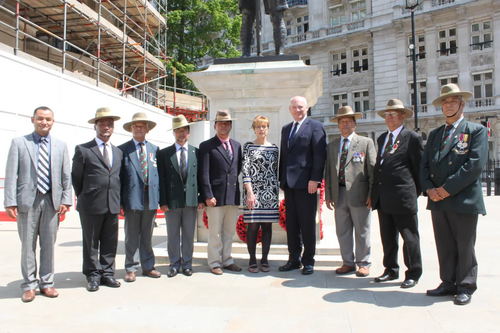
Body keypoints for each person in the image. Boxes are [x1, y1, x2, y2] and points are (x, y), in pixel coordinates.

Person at [421, 84, 488, 305]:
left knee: (464, 244)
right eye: (445, 103)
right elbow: (425, 165)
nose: (448, 105)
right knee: (445, 243)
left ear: (462, 104)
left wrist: (445, 189)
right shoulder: (435, 134)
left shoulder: (475, 131)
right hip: (438, 200)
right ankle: (448, 282)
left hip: (463, 199)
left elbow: (474, 165)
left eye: (453, 102)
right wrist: (430, 189)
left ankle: (466, 285)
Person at [4, 106, 72, 302]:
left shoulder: (60, 145)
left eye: (48, 119)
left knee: (48, 245)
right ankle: (29, 285)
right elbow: (11, 175)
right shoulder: (19, 143)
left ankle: (47, 283)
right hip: (27, 202)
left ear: (53, 121)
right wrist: (10, 201)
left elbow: (65, 175)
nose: (44, 122)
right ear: (32, 119)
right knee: (27, 246)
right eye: (40, 119)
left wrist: (66, 200)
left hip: (51, 202)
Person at [370, 99, 423, 289]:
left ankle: (413, 273)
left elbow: (418, 169)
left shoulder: (411, 137)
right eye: (387, 114)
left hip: (402, 197)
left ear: (402, 117)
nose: (389, 117)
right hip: (383, 198)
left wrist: (412, 192)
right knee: (388, 238)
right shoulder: (382, 138)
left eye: (393, 114)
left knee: (409, 238)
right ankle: (390, 269)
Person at [72, 107, 123, 292]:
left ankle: (108, 273)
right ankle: (93, 275)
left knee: (110, 242)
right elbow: (76, 179)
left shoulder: (118, 152)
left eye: (109, 124)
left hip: (112, 204)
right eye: (102, 124)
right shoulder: (84, 150)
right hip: (91, 205)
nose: (106, 127)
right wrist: (86, 196)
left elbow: (119, 178)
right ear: (95, 126)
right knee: (91, 242)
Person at [325, 106, 376, 277]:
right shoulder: (332, 146)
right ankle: (347, 262)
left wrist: (372, 193)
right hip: (339, 195)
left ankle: (363, 263)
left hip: (359, 195)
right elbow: (329, 171)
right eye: (342, 122)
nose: (345, 124)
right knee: (342, 231)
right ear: (338, 125)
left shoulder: (365, 142)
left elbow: (372, 170)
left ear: (355, 124)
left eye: (348, 121)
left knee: (362, 230)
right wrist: (329, 195)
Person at [278, 96, 327, 275]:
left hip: (307, 184)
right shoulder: (286, 129)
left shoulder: (315, 127)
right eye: (294, 107)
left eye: (301, 107)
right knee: (292, 224)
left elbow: (319, 155)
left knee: (307, 224)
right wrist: (281, 180)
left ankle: (308, 261)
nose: (298, 110)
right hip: (289, 185)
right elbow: (285, 156)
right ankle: (294, 259)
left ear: (307, 108)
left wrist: (315, 179)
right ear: (290, 109)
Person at [158, 115, 204, 278]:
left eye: (184, 130)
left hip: (190, 201)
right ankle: (174, 264)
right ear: (174, 133)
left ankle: (187, 264)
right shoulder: (164, 153)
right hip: (172, 201)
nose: (181, 133)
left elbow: (200, 177)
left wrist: (201, 198)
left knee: (188, 234)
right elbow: (161, 179)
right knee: (172, 234)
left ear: (189, 132)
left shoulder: (196, 152)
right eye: (178, 130)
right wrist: (162, 201)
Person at [198, 110, 243, 275]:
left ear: (230, 125)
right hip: (215, 196)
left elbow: (236, 170)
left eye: (227, 123)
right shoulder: (207, 146)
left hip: (232, 195)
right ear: (215, 125)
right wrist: (208, 195)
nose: (224, 126)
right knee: (215, 232)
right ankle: (214, 262)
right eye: (221, 123)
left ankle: (227, 260)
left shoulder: (237, 146)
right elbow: (204, 173)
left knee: (229, 232)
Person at [119, 112, 161, 283]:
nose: (138, 128)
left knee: (147, 233)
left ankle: (148, 266)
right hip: (132, 198)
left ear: (147, 130)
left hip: (149, 198)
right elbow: (119, 178)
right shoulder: (122, 150)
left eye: (142, 126)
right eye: (135, 126)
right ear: (131, 128)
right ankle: (131, 267)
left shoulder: (154, 150)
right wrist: (120, 201)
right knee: (131, 234)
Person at [242, 115, 279, 273]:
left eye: (264, 126)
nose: (261, 129)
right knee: (253, 226)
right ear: (254, 129)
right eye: (258, 126)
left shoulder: (274, 148)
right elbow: (245, 170)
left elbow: (276, 171)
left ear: (268, 129)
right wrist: (249, 192)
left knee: (267, 226)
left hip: (270, 192)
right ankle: (252, 260)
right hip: (253, 192)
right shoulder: (248, 147)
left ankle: (264, 259)